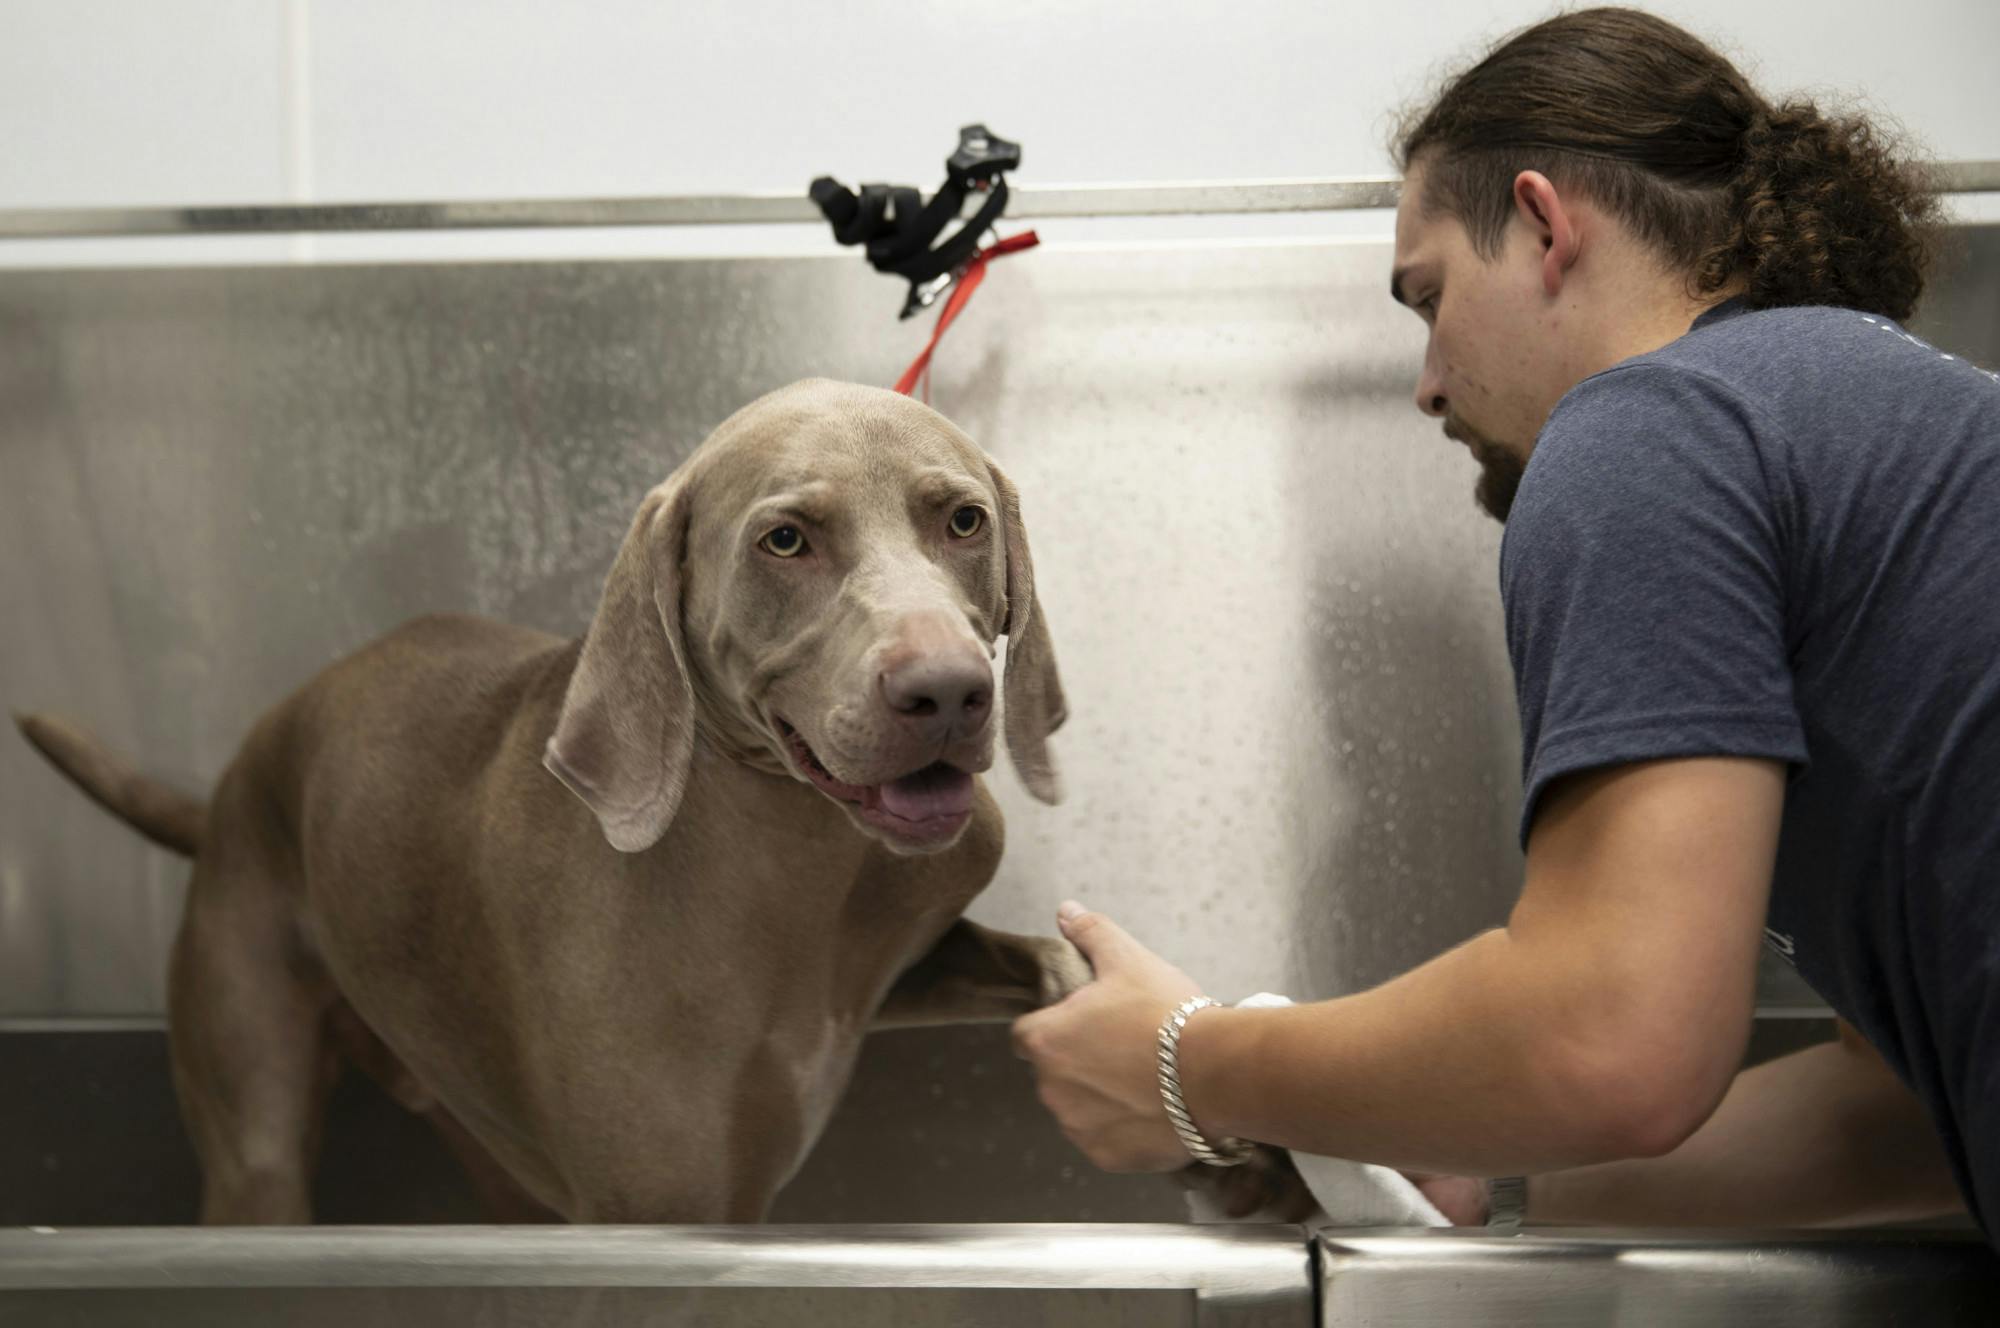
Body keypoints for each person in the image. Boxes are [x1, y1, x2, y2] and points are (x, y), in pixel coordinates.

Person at [1012, 5, 1997, 1239]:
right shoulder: (1887, 417)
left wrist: (1188, 1064)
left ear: (1540, 224)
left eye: (1425, 297)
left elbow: (1610, 1040)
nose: (1424, 379)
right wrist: (1479, 1169)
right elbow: (1899, 1110)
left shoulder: (1652, 423)